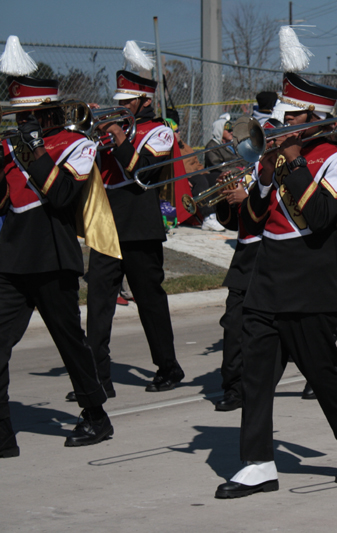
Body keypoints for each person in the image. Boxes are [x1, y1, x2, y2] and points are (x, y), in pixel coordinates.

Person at [215, 70, 337, 499]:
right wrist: (265, 174)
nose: (281, 123)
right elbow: (249, 219)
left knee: (321, 370)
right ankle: (258, 462)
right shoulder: (272, 159)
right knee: (256, 373)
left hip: (310, 279)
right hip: (267, 277)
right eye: (283, 115)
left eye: (294, 115)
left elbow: (321, 217)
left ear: (317, 119)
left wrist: (291, 161)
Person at [1, 76, 113, 455]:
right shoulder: (8, 147)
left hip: (52, 256)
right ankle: (3, 436)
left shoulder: (79, 145)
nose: (19, 123)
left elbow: (63, 196)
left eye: (25, 116)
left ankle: (96, 415)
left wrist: (35, 148)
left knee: (70, 343)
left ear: (46, 114)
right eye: (16, 117)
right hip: (11, 258)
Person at [85, 69, 184, 396]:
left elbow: (141, 171)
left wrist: (118, 135)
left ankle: (168, 367)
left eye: (126, 100)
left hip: (140, 228)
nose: (120, 105)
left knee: (149, 301)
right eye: (118, 100)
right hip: (106, 224)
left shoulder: (159, 131)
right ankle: (98, 377)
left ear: (144, 100)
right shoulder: (108, 132)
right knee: (99, 303)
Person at [213, 118, 285, 412]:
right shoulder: (246, 170)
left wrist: (247, 198)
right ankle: (233, 388)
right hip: (244, 258)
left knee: (287, 330)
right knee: (233, 325)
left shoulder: (287, 171)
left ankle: (313, 374)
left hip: (274, 255)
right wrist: (224, 198)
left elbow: (276, 213)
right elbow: (231, 222)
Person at [198, 119, 236, 231]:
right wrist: (238, 170)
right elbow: (217, 166)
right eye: (228, 130)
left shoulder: (233, 145)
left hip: (234, 173)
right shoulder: (212, 145)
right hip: (220, 175)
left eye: (232, 130)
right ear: (220, 131)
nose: (231, 132)